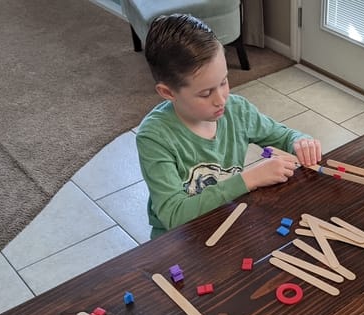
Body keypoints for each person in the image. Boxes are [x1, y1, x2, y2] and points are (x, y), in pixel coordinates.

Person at [136, 13, 322, 239]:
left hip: (228, 219)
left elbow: (284, 136)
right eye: (205, 93)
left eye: (223, 82)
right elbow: (174, 215)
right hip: (178, 239)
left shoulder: (237, 110)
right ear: (168, 92)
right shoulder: (154, 137)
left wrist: (300, 141)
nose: (221, 99)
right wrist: (248, 179)